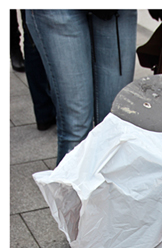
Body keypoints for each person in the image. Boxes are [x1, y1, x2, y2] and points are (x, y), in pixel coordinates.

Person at [24, 10, 137, 164]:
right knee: (76, 127)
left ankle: (106, 186)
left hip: (116, 10)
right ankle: (71, 187)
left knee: (113, 124)